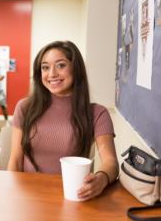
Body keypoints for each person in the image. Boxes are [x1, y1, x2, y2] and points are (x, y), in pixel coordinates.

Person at [7, 41, 119, 201]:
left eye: (60, 65)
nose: (51, 74)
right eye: (45, 67)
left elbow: (111, 163)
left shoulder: (97, 113)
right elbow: (16, 160)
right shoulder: (25, 107)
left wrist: (101, 179)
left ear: (76, 68)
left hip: (73, 195)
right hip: (27, 197)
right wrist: (11, 197)